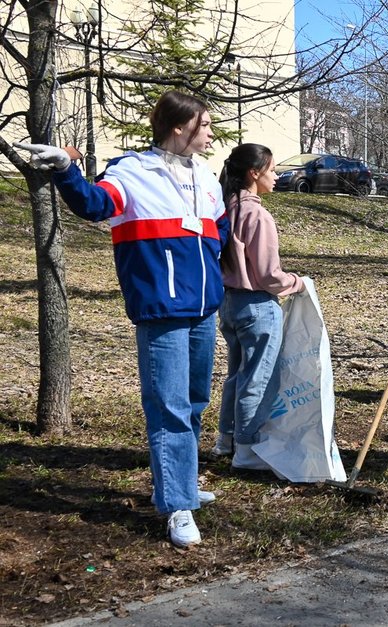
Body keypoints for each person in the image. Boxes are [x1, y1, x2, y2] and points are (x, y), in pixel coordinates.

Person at [15, 90, 230, 548]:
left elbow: (220, 232)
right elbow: (95, 205)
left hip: (203, 310)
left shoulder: (207, 177)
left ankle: (180, 484)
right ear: (180, 127)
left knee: (192, 403)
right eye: (205, 125)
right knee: (168, 407)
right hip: (162, 311)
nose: (211, 133)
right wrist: (66, 169)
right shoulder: (132, 170)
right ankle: (177, 506)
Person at [214, 144, 306, 468]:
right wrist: (299, 282)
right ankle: (247, 450)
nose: (277, 176)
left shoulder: (225, 208)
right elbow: (270, 276)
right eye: (272, 169)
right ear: (254, 173)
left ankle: (225, 439)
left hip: (228, 303)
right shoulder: (257, 214)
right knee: (258, 379)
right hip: (256, 305)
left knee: (236, 376)